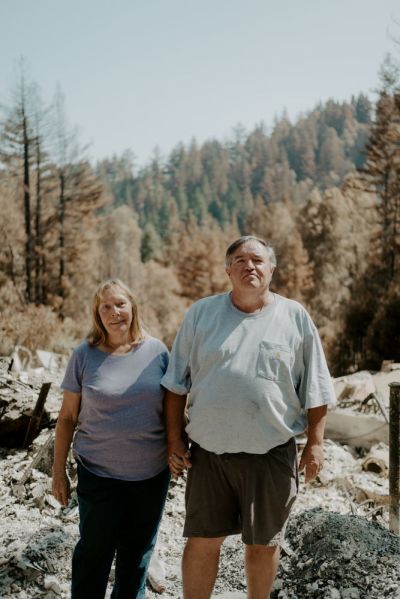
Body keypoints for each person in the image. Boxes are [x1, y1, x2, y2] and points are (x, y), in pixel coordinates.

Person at [162, 236, 337, 599]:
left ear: (271, 269)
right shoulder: (202, 314)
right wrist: (174, 439)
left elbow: (317, 387)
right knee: (202, 540)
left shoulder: (294, 317)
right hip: (208, 453)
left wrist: (316, 444)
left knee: (264, 545)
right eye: (240, 260)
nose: (249, 266)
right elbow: (176, 383)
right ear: (228, 270)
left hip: (271, 453)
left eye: (257, 260)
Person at [52, 279, 170, 599]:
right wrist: (58, 472)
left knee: (136, 558)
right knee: (95, 553)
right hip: (98, 474)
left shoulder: (157, 352)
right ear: (97, 314)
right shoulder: (84, 355)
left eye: (120, 304)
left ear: (133, 307)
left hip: (150, 476)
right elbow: (66, 418)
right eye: (105, 306)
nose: (113, 312)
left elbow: (173, 408)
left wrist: (178, 447)